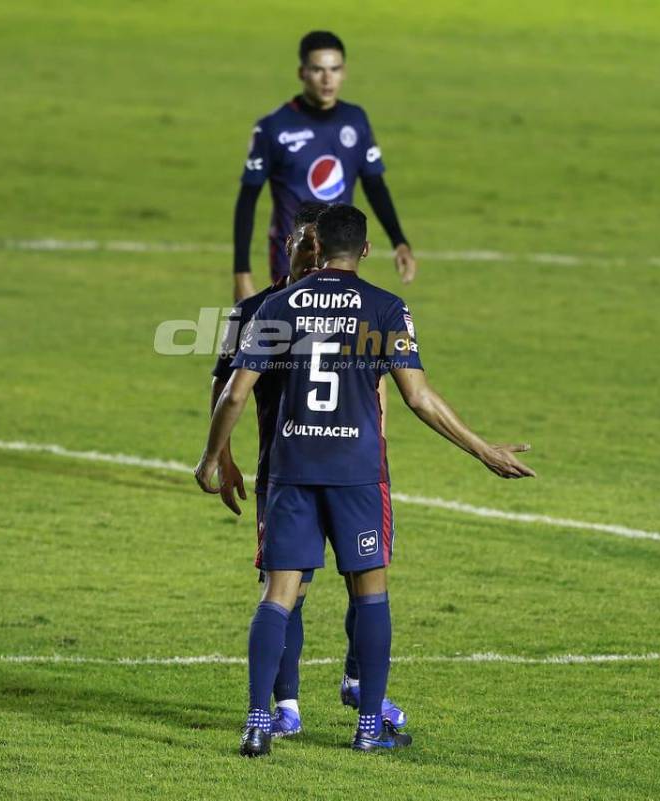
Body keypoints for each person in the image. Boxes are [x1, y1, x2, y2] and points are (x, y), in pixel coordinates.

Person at [196, 204, 533, 756]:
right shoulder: (386, 308)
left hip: (290, 470)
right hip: (357, 472)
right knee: (370, 596)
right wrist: (483, 449)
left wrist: (211, 457)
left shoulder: (276, 306)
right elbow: (417, 396)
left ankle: (260, 723)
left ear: (317, 244)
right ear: (366, 250)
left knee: (278, 596)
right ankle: (368, 728)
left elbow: (234, 392)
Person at [210, 202, 407, 739]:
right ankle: (287, 707)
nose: (305, 252)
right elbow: (222, 387)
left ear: (321, 248)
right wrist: (223, 457)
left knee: (341, 585)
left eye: (310, 245)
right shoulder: (251, 310)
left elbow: (378, 388)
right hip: (282, 467)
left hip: (334, 464)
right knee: (292, 589)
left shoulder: (281, 308)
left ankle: (356, 684)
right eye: (298, 245)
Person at [232, 30, 417, 302]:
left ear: (344, 71)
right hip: (295, 261)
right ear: (302, 73)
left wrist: (399, 241)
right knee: (293, 340)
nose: (327, 79)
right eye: (318, 69)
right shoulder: (274, 127)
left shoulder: (356, 120)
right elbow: (247, 200)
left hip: (341, 258)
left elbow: (375, 185)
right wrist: (242, 273)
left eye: (334, 69)